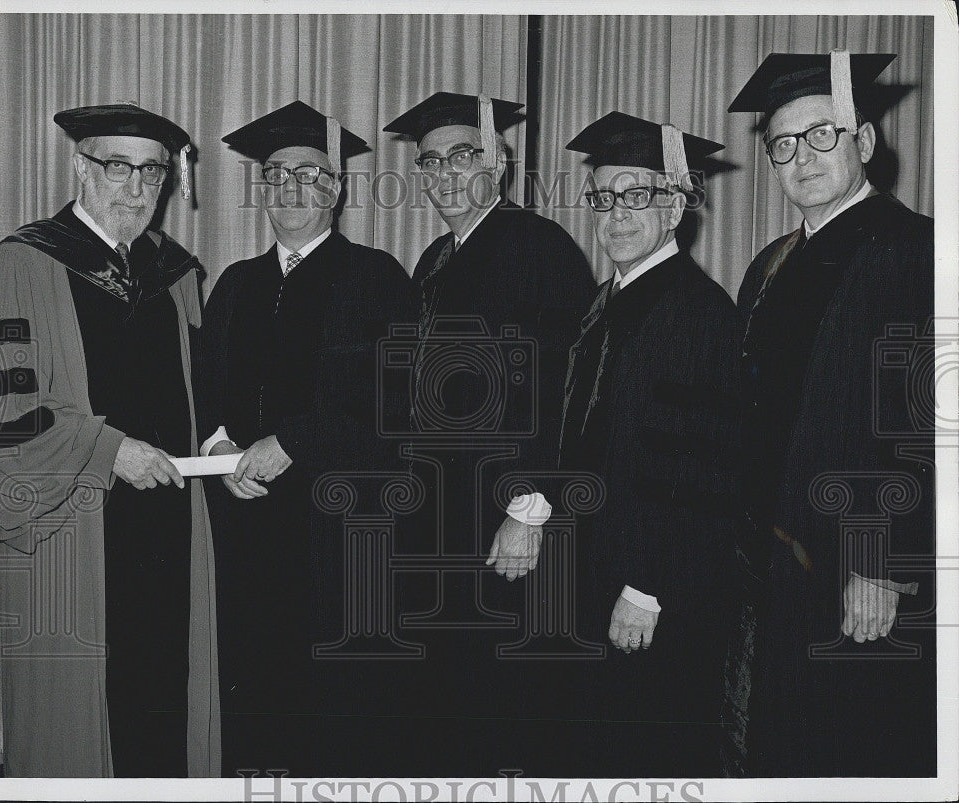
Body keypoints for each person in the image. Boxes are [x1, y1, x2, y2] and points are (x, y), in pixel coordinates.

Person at [0, 103, 219, 777]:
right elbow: (7, 408)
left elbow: (196, 393)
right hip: (75, 524)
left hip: (171, 524)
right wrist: (109, 449)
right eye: (116, 165)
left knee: (165, 702)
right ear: (79, 166)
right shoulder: (25, 261)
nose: (136, 185)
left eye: (152, 170)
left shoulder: (176, 275)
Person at [727, 51, 936, 777]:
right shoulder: (771, 262)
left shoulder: (917, 249)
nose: (800, 158)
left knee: (849, 745)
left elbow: (928, 422)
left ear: (865, 141)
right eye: (782, 145)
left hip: (854, 562)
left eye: (821, 135)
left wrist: (882, 559)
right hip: (772, 557)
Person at [199, 100, 418, 776]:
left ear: (337, 188)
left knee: (333, 711)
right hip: (246, 528)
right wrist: (215, 451)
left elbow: (395, 399)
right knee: (253, 693)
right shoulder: (235, 284)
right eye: (276, 174)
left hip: (338, 533)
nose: (291, 187)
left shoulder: (377, 278)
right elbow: (203, 392)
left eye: (309, 173)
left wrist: (290, 441)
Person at [381, 91, 595, 776]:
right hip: (440, 519)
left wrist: (529, 507)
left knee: (504, 710)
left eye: (464, 155)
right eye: (431, 161)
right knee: (446, 703)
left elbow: (562, 387)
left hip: (503, 521)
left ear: (499, 162)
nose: (445, 173)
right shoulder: (435, 258)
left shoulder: (540, 247)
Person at [547, 112, 740, 777]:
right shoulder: (605, 301)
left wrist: (648, 585)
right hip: (590, 575)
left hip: (651, 591)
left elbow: (701, 468)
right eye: (604, 197)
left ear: (677, 204)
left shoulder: (696, 310)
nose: (616, 213)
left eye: (637, 195)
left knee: (647, 757)